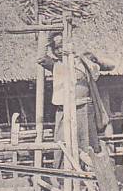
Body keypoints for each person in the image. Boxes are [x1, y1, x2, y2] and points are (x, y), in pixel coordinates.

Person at [37, 32, 112, 169]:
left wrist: (89, 59)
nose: (59, 51)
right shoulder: (55, 65)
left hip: (85, 109)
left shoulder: (83, 62)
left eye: (61, 46)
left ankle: (90, 177)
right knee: (62, 142)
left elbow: (111, 66)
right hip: (64, 110)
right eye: (56, 48)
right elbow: (41, 58)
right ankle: (63, 179)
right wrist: (47, 40)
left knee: (87, 143)